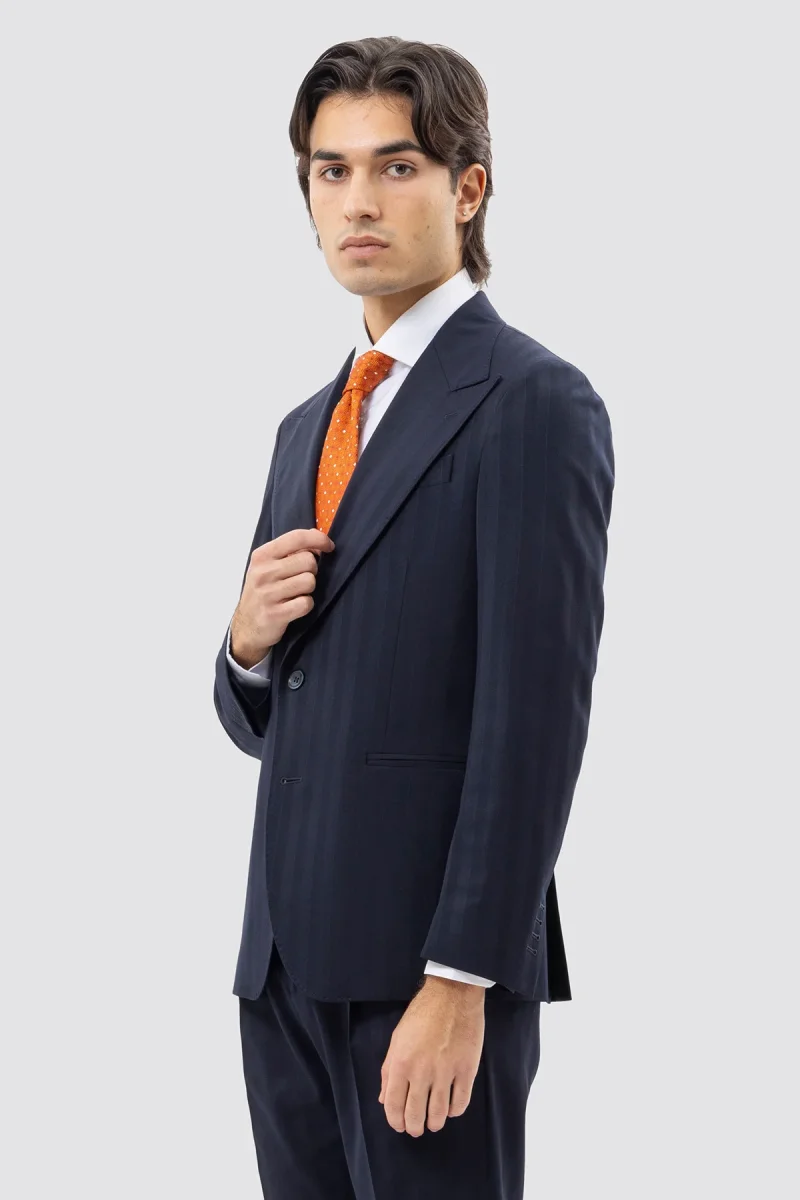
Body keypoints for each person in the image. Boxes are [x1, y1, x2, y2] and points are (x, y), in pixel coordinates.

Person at [213, 34, 614, 1200]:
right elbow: (272, 717)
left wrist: (460, 978)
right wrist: (243, 648)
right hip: (281, 972)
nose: (357, 201)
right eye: (329, 171)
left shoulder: (533, 401)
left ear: (466, 187)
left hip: (422, 977)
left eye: (395, 166)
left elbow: (532, 720)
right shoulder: (307, 426)